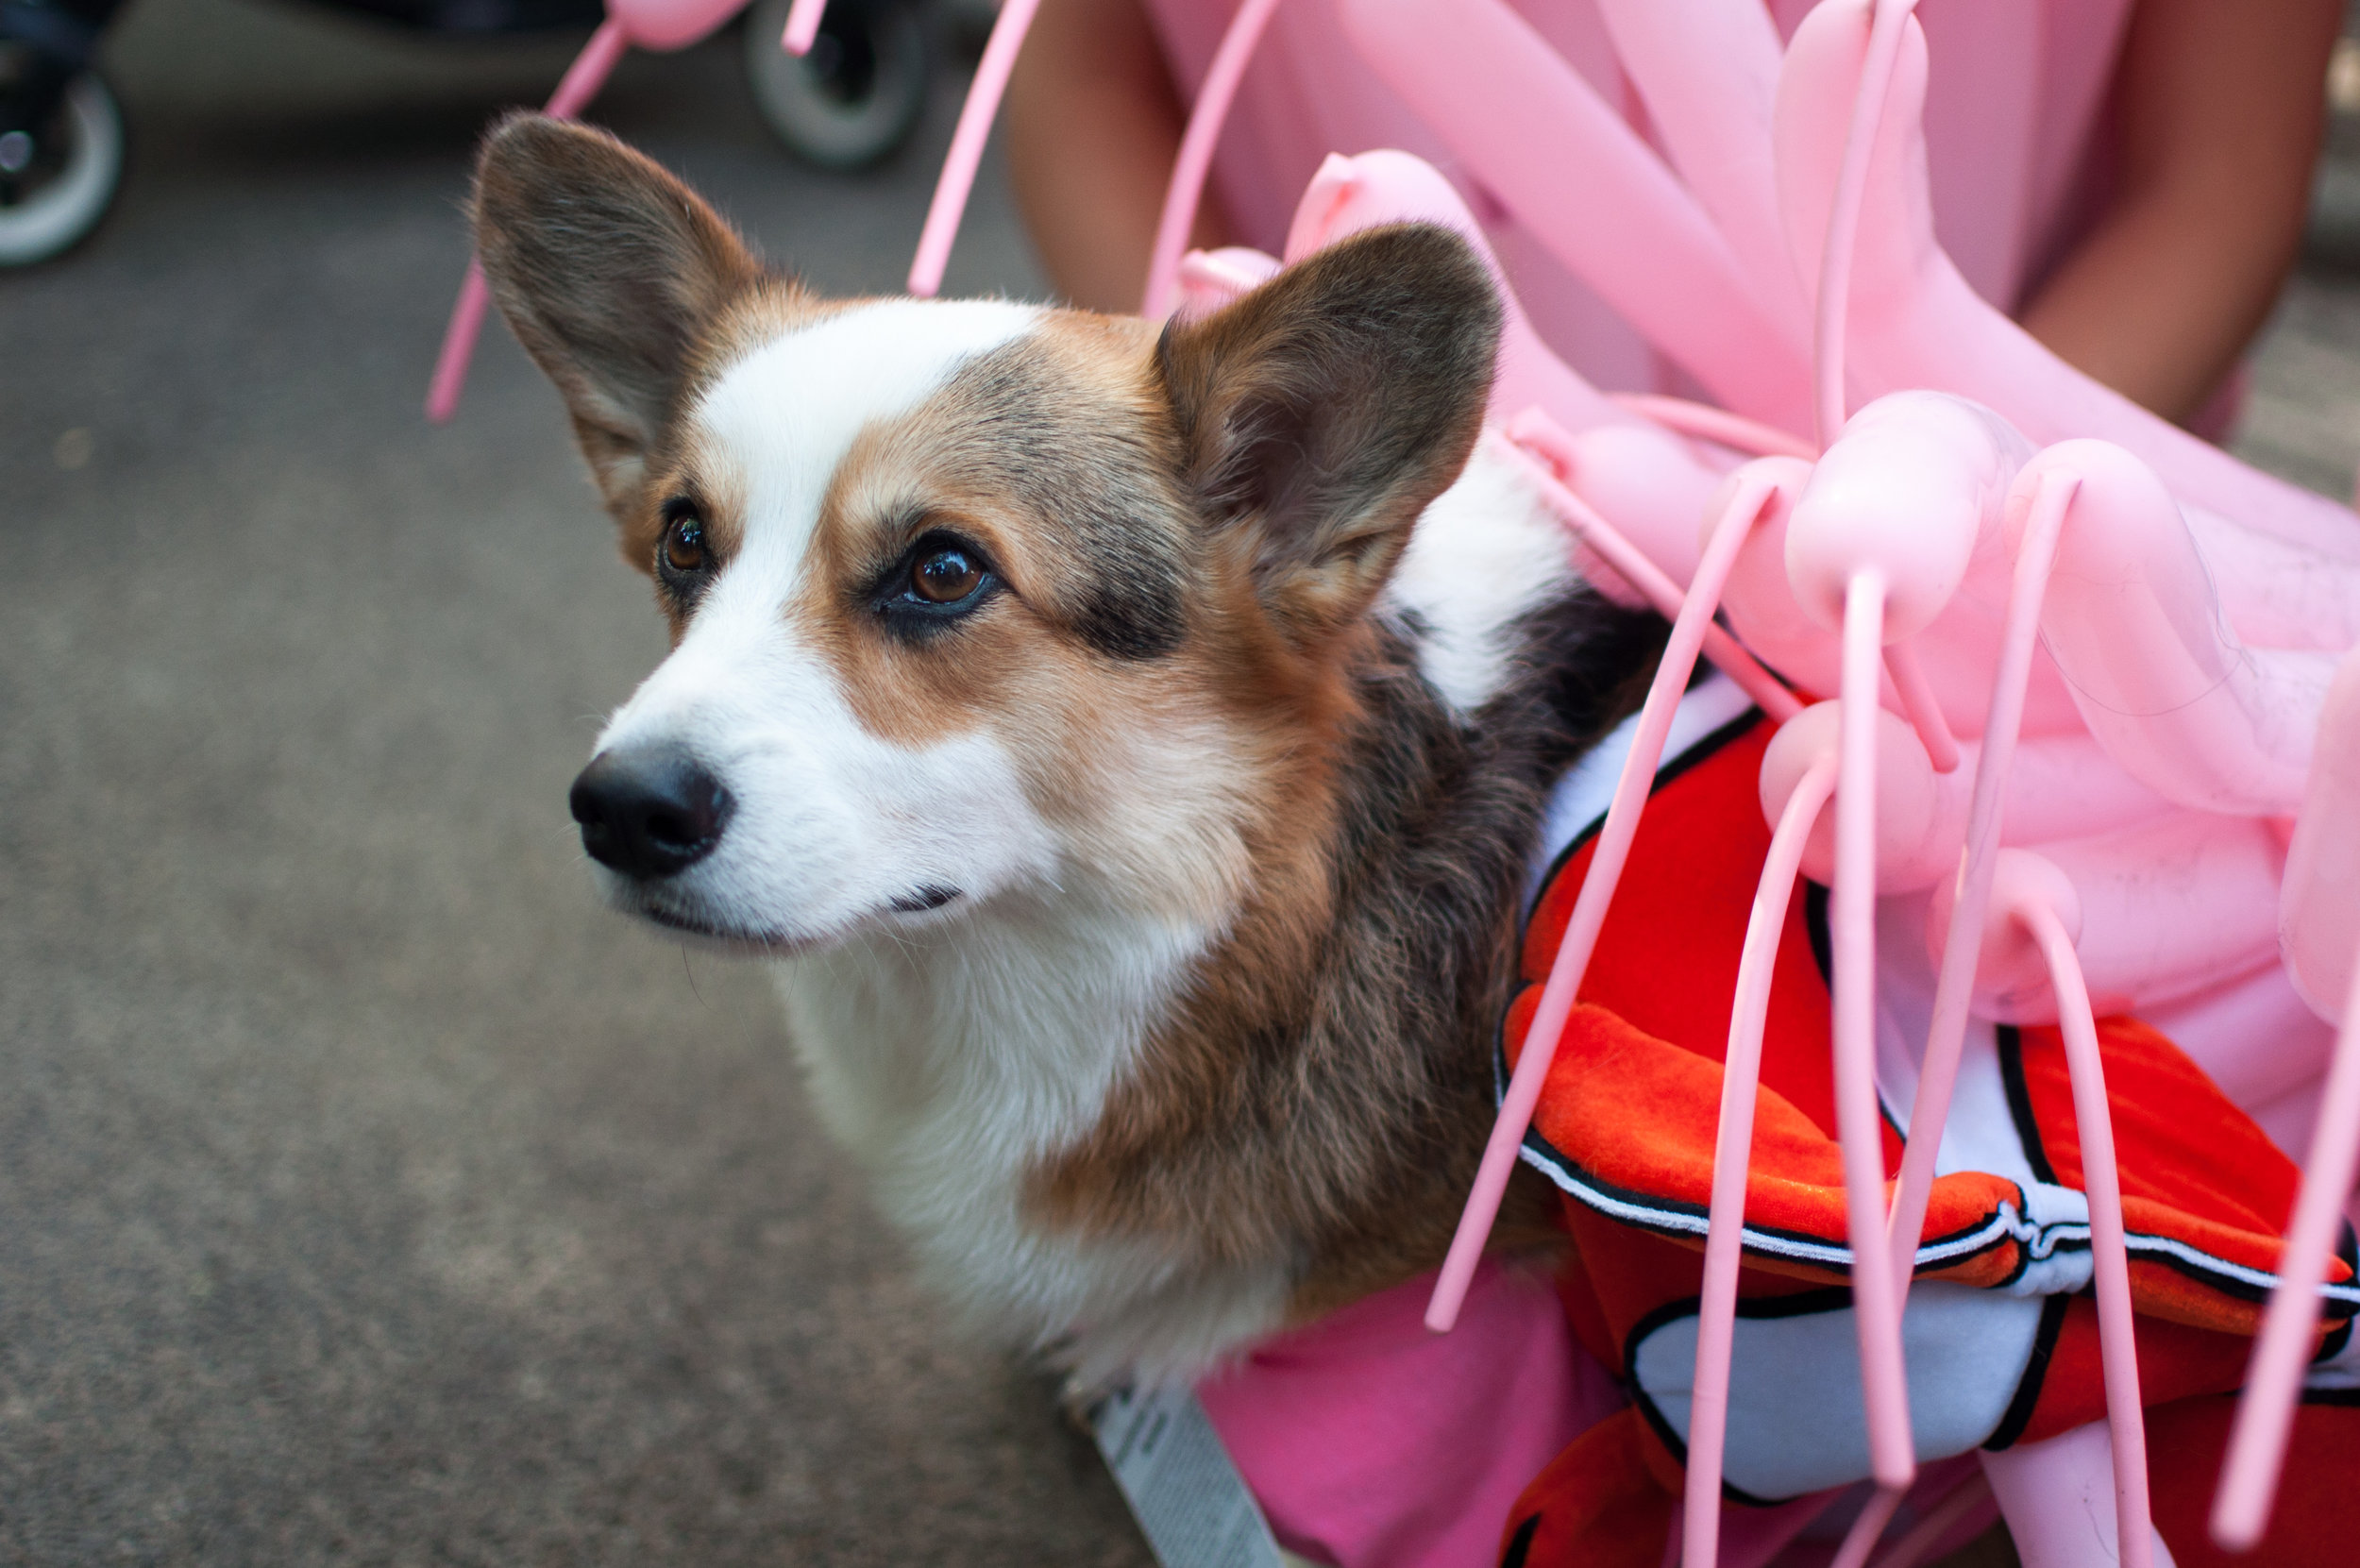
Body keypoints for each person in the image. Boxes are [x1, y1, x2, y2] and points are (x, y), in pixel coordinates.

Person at [1005, 0, 2342, 428]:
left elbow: (2211, 188)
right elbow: (1081, 75)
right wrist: (1253, 449)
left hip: (1976, 605)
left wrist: (1939, 512)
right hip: (1365, 586)